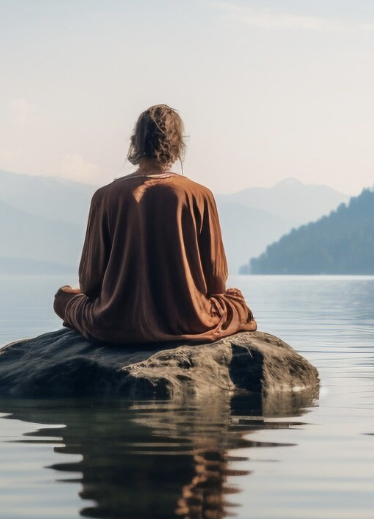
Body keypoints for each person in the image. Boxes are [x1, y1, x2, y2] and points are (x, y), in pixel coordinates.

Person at [53, 105, 257, 345]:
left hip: (114, 323)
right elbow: (216, 282)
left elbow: (89, 283)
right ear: (177, 144)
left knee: (63, 298)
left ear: (135, 143)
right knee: (236, 301)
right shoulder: (199, 195)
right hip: (189, 321)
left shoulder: (105, 196)